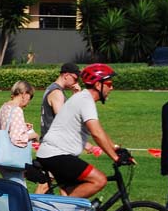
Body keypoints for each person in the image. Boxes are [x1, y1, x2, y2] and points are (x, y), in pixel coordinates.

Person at [37, 63, 125, 199]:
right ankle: (65, 207)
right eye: (109, 83)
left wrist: (115, 148)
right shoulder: (85, 100)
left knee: (69, 191)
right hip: (57, 154)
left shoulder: (84, 98)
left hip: (56, 153)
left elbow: (99, 130)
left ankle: (64, 210)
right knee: (99, 180)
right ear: (98, 85)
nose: (111, 87)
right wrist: (116, 158)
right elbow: (96, 133)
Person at [0, 80, 39, 184]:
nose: (28, 102)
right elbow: (17, 138)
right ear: (24, 94)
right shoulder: (17, 110)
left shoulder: (5, 107)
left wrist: (23, 126)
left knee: (10, 187)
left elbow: (4, 128)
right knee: (19, 188)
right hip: (12, 159)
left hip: (1, 154)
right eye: (30, 97)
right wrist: (33, 135)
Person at [40, 62, 81, 139]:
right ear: (66, 76)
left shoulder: (51, 88)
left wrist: (75, 96)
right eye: (75, 79)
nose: (76, 82)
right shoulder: (57, 92)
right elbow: (63, 119)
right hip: (54, 141)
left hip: (50, 139)